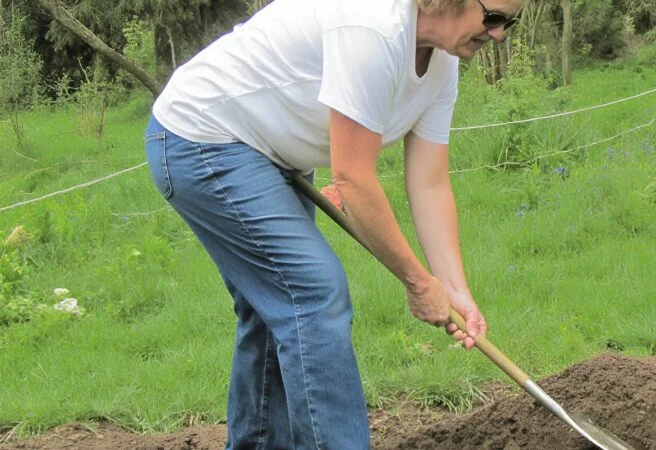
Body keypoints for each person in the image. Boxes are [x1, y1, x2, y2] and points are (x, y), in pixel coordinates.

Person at [143, 0, 522, 448]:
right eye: (493, 17)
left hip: (272, 150)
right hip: (205, 136)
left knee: (277, 308)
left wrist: (453, 286)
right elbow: (354, 180)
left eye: (509, 23)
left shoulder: (442, 66)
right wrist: (419, 283)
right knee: (312, 294)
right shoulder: (373, 29)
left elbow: (431, 183)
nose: (498, 33)